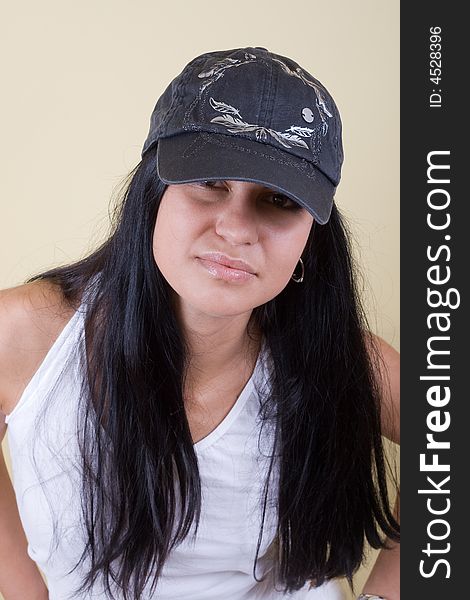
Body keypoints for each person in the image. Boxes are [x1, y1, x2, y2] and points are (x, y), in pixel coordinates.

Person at [0, 46, 400, 600]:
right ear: (153, 192)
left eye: (279, 200)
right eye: (209, 181)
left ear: (312, 235)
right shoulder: (25, 334)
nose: (236, 229)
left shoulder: (338, 359)